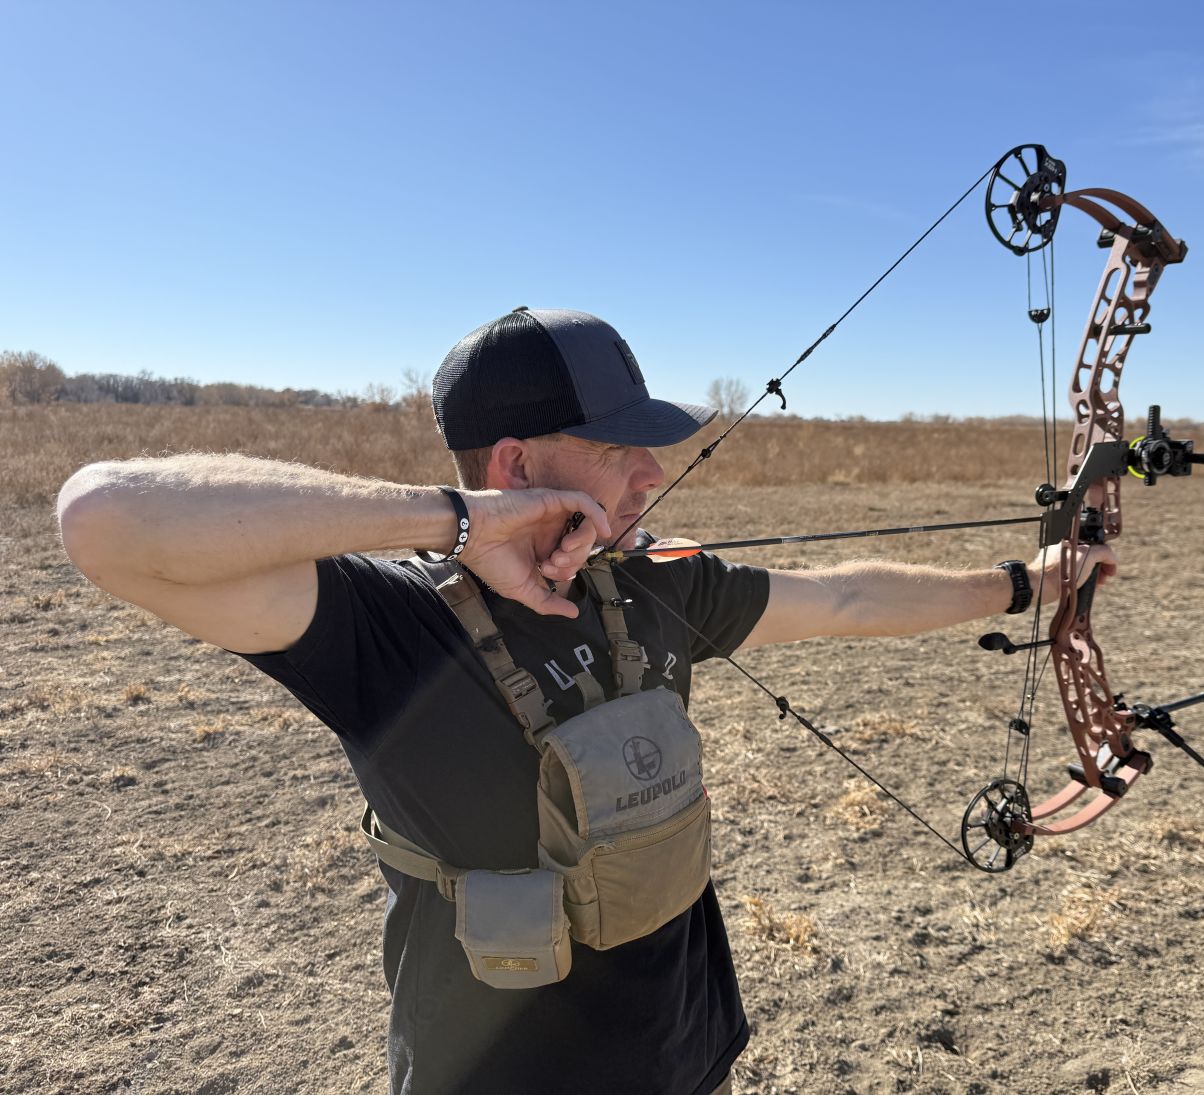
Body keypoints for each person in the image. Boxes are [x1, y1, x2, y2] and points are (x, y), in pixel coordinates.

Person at [56, 307, 1113, 1095]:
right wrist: (455, 523)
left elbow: (840, 595)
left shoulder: (650, 581)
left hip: (685, 1046)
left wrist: (1026, 585)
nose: (649, 473)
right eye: (618, 449)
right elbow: (104, 519)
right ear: (515, 464)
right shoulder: (390, 632)